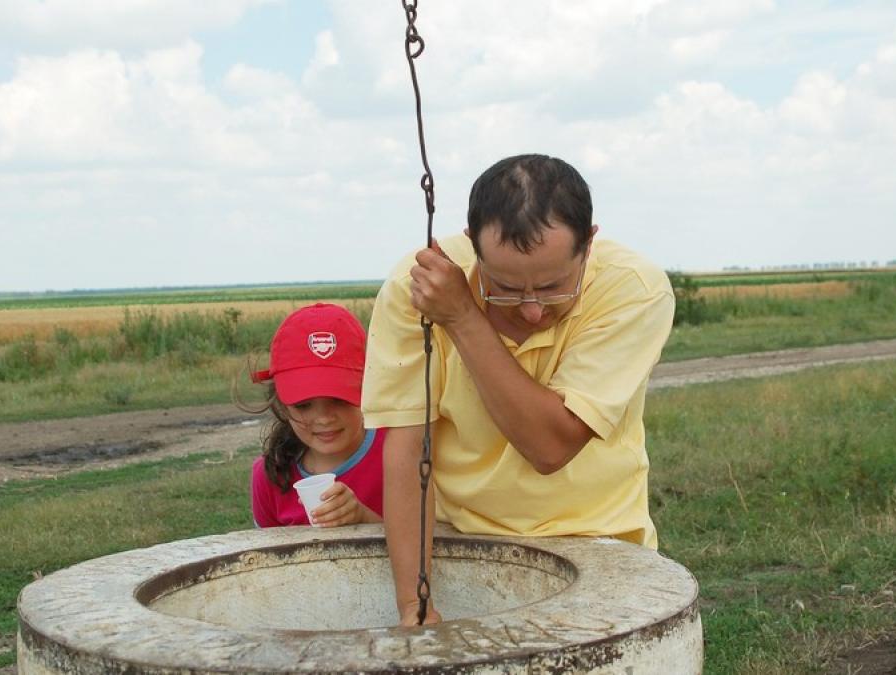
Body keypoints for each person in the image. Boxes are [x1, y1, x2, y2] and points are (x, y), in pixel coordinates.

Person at [363, 153, 676, 625]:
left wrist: (465, 316)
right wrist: (414, 604)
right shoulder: (421, 286)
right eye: (505, 287)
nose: (531, 310)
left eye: (552, 287)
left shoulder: (634, 289)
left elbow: (549, 446)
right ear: (473, 247)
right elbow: (408, 450)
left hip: (599, 539)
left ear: (589, 244)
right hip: (462, 538)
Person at [241, 303, 386, 528]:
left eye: (339, 399)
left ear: (369, 389)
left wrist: (363, 518)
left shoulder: (396, 453)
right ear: (281, 405)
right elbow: (268, 559)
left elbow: (428, 546)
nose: (324, 418)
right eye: (304, 405)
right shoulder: (269, 475)